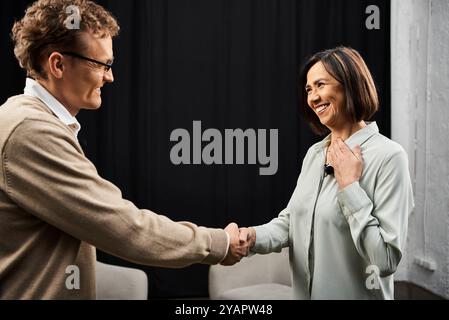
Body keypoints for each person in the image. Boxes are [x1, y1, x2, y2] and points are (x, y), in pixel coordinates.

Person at [0, 0, 246, 300]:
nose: (109, 76)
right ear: (58, 64)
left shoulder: (30, 120)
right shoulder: (31, 131)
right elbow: (123, 227)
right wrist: (218, 243)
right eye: (101, 64)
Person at [239, 47, 414, 300]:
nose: (312, 97)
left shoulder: (390, 157)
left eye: (320, 85)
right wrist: (252, 237)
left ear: (350, 85)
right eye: (309, 89)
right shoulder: (315, 154)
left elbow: (385, 260)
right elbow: (292, 222)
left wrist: (350, 187)